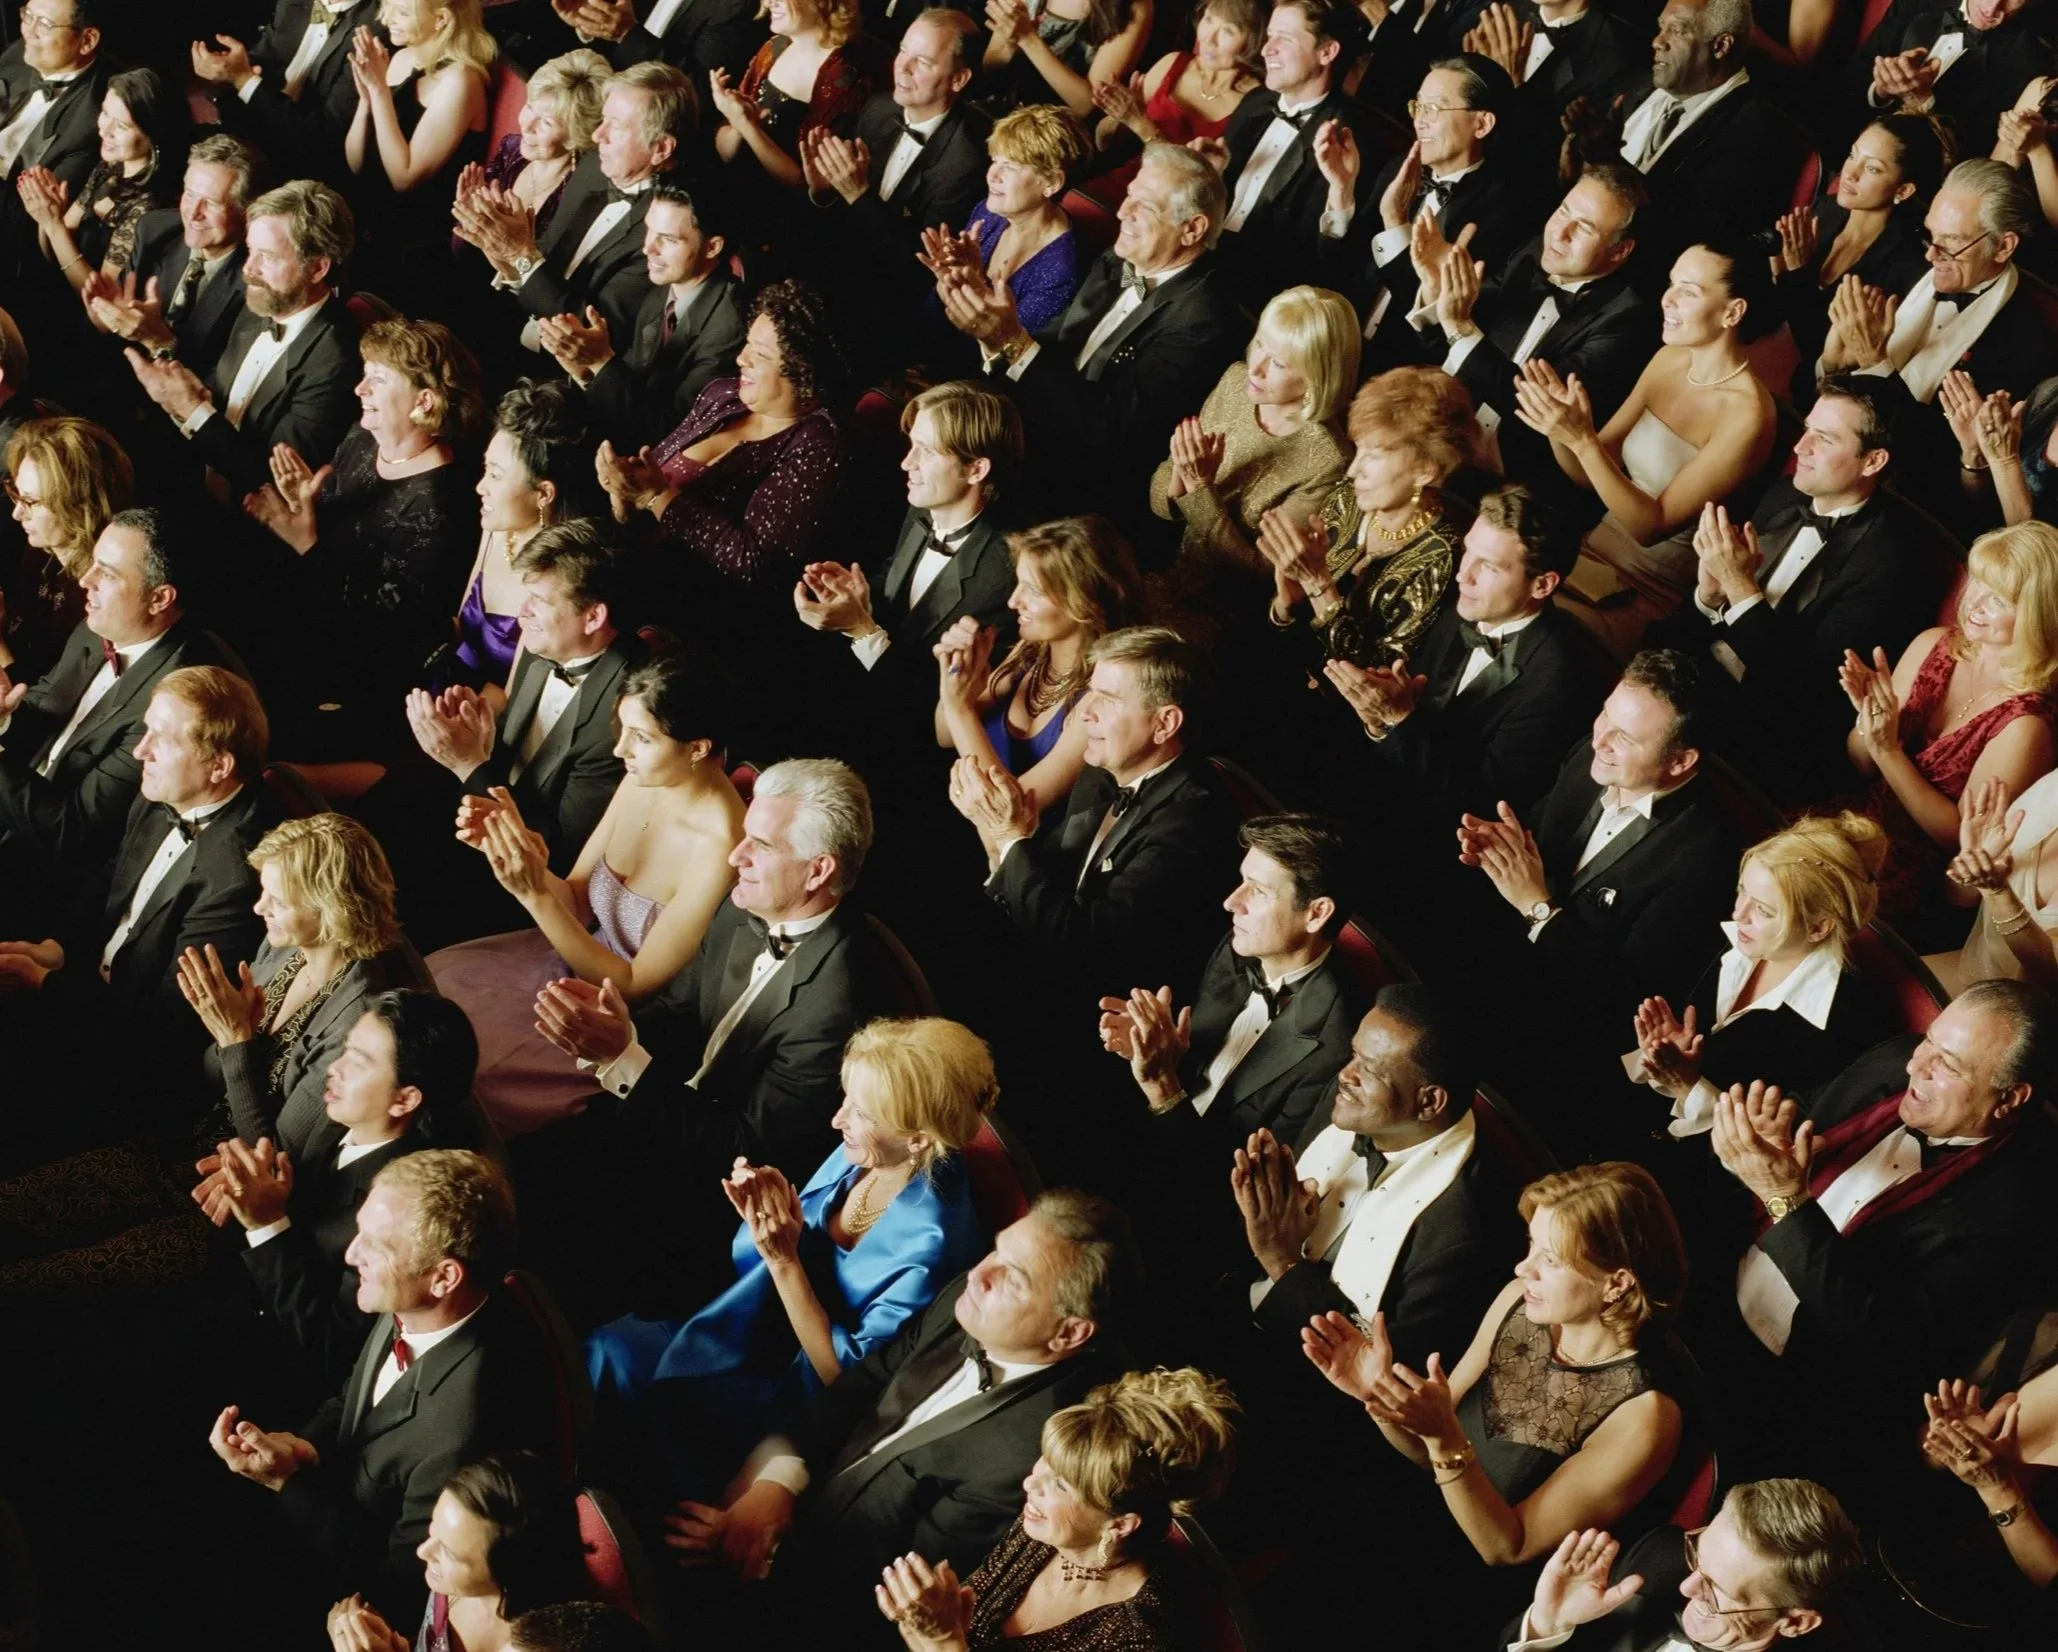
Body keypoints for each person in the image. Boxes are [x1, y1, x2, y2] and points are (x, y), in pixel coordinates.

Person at [663, 1192, 1138, 1623]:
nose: (979, 1273)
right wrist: (776, 1482)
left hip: (813, 1603)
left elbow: (886, 1582)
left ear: (1069, 1333)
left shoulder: (1031, 1454)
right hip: (793, 1492)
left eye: (1012, 1278)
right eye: (996, 1250)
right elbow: (859, 1386)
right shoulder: (967, 1301)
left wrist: (754, 1550)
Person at [587, 1017, 995, 1499]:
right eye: (845, 1099)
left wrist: (783, 1260)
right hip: (756, 1329)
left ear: (919, 1138)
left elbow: (843, 1378)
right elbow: (768, 1258)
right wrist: (770, 1210)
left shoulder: (932, 1243)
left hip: (794, 1403)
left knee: (640, 1397)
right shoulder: (871, 1152)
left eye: (860, 1113)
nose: (837, 1120)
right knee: (609, 1347)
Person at [531, 758, 886, 1287]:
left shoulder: (840, 1004)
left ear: (819, 870)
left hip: (714, 1198)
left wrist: (621, 1057)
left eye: (761, 846)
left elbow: (747, 1146)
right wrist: (614, 1025)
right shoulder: (748, 904)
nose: (735, 856)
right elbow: (680, 1010)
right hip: (666, 1114)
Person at [1702, 981, 2058, 1478]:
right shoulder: (1896, 1059)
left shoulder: (2019, 1210)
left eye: (1948, 1065)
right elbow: (1810, 1114)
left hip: (1797, 1388)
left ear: (2009, 1098)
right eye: (1928, 1041)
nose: (1917, 1066)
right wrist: (1769, 1135)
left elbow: (1885, 1341)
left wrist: (1785, 1197)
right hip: (1719, 1284)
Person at [206, 1150, 557, 1629]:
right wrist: (307, 1447)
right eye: (359, 1231)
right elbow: (356, 1392)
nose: (351, 1255)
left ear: (443, 1277)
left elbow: (394, 1579)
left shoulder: (461, 1435)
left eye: (376, 1245)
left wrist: (286, 1483)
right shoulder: (422, 1305)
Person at [1304, 1161, 1690, 1580]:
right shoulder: (1518, 1304)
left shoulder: (1646, 1416)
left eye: (1551, 1260)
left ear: (1617, 1284)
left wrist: (1443, 1435)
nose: (1524, 1269)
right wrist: (1379, 1395)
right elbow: (1426, 1454)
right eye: (1530, 1246)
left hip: (1468, 1582)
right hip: (1408, 1524)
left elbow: (1508, 1547)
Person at [431, 648, 747, 1136]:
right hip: (557, 956)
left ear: (698, 748)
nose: (620, 749)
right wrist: (522, 857)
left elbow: (632, 983)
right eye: (622, 729)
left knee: (462, 1073)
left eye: (641, 738)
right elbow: (578, 901)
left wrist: (534, 894)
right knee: (432, 985)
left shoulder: (722, 844)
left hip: (605, 1014)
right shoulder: (643, 778)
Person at [0, 667, 280, 1160]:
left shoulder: (236, 874)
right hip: (89, 991)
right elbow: (107, 878)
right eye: (145, 729)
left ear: (219, 765)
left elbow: (162, 1026)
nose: (139, 751)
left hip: (123, 1062)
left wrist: (43, 984)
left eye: (162, 739)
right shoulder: (167, 792)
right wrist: (56, 948)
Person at [1457, 649, 1736, 1138]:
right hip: (1497, 973)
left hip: (1559, 1044)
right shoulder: (1592, 758)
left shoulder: (1705, 858)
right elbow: (1536, 849)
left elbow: (1620, 996)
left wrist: (1536, 906)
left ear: (1681, 760)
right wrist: (1496, 849)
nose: (1599, 738)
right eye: (1605, 714)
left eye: (1623, 737)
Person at [1099, 813, 1363, 1293]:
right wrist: (1151, 1050)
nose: (1231, 903)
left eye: (1257, 892)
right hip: (1138, 1158)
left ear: (1317, 913)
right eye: (1241, 882)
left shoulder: (1338, 1047)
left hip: (1187, 1238)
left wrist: (1163, 1085)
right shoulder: (1237, 948)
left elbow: (1232, 1201)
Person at [1657, 377, 1953, 803]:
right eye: (1807, 429)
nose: (1799, 448)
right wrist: (1709, 595)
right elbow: (1697, 627)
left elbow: (1801, 696)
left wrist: (1740, 588)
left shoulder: (1891, 564)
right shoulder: (1782, 495)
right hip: (1698, 680)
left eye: (1824, 439)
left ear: (1873, 461)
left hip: (1767, 735)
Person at [937, 142, 1246, 528]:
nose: (1122, 212)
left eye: (1143, 207)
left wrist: (1013, 342)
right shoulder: (1116, 259)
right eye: (1128, 197)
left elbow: (1113, 429)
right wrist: (991, 325)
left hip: (1084, 486)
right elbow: (1052, 343)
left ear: (1193, 229)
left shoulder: (1204, 319)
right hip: (1033, 430)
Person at [1235, 982, 1523, 1368]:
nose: (1345, 1076)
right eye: (1355, 1055)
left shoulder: (1464, 1230)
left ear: (1429, 1102)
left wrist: (1283, 1262)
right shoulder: (1347, 1102)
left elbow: (1388, 1368)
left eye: (1369, 1070)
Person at [243, 316, 485, 765]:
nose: (359, 389)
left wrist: (306, 544)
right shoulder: (361, 439)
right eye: (363, 374)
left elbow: (381, 632)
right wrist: (305, 507)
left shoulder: (441, 508)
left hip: (350, 683)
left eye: (376, 379)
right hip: (298, 633)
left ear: (423, 401)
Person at [1525, 237, 1778, 659]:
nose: (1668, 300)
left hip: (1644, 592)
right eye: (1671, 283)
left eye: (1689, 292)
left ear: (1732, 312)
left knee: (1527, 619)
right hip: (1587, 558)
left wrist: (1582, 439)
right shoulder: (1670, 359)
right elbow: (1588, 473)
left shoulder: (1747, 414)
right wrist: (1560, 427)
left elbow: (1650, 526)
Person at [220, 990, 481, 1394]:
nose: (334, 1069)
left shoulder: (401, 1208)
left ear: (404, 1099)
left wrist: (267, 1225)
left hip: (266, 1357)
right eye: (344, 1051)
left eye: (357, 1063)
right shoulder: (343, 1119)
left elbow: (328, 1347)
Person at [873, 1367, 1240, 1652]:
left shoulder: (1139, 1637)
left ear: (1120, 1524)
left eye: (1061, 1484)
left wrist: (943, 1642)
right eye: (1044, 1462)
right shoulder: (1047, 1532)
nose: (1031, 1484)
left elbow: (945, 1641)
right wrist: (923, 1625)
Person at [969, 625, 1238, 1004]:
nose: (1086, 714)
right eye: (1089, 692)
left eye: (1108, 699)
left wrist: (1009, 836)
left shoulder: (1191, 825)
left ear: (1164, 724)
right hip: (1040, 964)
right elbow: (1049, 876)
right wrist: (1003, 843)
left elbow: (1084, 947)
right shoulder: (1102, 768)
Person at [403, 519, 634, 922]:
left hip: (530, 889)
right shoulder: (541, 639)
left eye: (539, 601)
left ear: (593, 617)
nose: (522, 613)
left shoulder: (620, 717)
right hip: (487, 823)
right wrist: (484, 739)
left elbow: (558, 851)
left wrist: (468, 763)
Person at [0, 509, 240, 894]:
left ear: (160, 598)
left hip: (51, 879)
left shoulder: (175, 699)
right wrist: (4, 720)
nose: (85, 580)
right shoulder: (99, 626)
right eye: (93, 563)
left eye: (107, 574)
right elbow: (43, 711)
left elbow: (73, 833)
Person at [178, 811, 430, 1173]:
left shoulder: (355, 1024)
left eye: (278, 901)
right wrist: (227, 1037)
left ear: (332, 910)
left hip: (233, 1180)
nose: (259, 908)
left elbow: (276, 1157)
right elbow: (212, 1079)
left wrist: (234, 1040)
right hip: (185, 1137)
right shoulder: (283, 946)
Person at [1334, 483, 1595, 830]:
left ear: (1542, 585)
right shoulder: (1463, 610)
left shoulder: (1557, 682)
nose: (1462, 574)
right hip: (1384, 790)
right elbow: (1412, 723)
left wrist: (1397, 718)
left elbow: (1480, 801)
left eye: (1488, 566)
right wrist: (1378, 723)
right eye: (1467, 551)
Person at [596, 278, 850, 630]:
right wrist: (623, 498)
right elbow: (647, 505)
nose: (741, 358)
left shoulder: (818, 447)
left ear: (805, 373)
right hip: (632, 568)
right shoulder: (722, 394)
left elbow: (753, 563)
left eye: (760, 355)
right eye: (747, 344)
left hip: (695, 616)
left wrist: (656, 496)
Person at [1839, 520, 2058, 927]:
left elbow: (1957, 838)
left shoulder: (2027, 724)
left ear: (2038, 615)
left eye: (1999, 599)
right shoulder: (1933, 643)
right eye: (1976, 583)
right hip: (1857, 820)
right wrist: (1869, 722)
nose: (1975, 603)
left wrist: (1888, 750)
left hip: (1921, 875)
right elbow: (1860, 764)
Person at [1624, 813, 1896, 1138]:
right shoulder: (1723, 937)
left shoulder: (1844, 1023)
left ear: (1818, 928)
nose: (1738, 914)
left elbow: (1770, 1150)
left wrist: (1689, 1087)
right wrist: (1660, 1057)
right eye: (1742, 892)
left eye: (1764, 911)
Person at [1817, 159, 2058, 507]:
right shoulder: (1907, 265)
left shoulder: (2024, 346)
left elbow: (1933, 463)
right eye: (1930, 235)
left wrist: (1875, 364)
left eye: (1951, 243)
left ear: (2003, 247)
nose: (1931, 254)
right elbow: (1811, 377)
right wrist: (1831, 362)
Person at [798, 380, 1027, 737]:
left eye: (927, 452)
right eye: (911, 446)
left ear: (976, 470)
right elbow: (901, 590)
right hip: (862, 697)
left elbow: (928, 701)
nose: (907, 463)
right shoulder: (923, 506)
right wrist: (860, 598)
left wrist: (861, 628)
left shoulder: (1004, 573)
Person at [1408, 164, 1654, 493]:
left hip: (1506, 484)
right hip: (1434, 439)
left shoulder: (1627, 320)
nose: (1559, 232)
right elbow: (1448, 347)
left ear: (1620, 250)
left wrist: (1461, 326)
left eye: (1583, 228)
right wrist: (1437, 290)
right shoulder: (1533, 252)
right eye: (1563, 211)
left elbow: (1534, 404)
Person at [127, 178, 363, 501]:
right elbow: (213, 392)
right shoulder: (257, 305)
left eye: (268, 256)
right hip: (191, 480)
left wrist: (192, 408)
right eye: (251, 250)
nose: (249, 269)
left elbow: (273, 481)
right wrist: (164, 357)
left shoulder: (337, 358)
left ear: (318, 268)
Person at [1147, 283, 1356, 623]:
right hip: (1164, 574)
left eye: (1278, 363)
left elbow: (1259, 571)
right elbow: (1159, 500)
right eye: (1259, 342)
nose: (1256, 367)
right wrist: (1180, 478)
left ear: (1318, 376)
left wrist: (1200, 489)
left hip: (1222, 616)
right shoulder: (1235, 382)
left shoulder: (1329, 459)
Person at [454, 61, 694, 355]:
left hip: (567, 369)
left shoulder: (665, 228)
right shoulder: (594, 165)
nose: (596, 136)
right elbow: (546, 264)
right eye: (602, 120)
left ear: (660, 149)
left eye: (615, 127)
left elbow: (593, 332)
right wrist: (502, 252)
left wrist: (519, 254)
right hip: (513, 324)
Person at [1258, 365, 1476, 673]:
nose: (1352, 470)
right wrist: (1286, 605)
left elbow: (1379, 677)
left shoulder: (1443, 557)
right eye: (1357, 449)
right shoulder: (1349, 499)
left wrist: (1318, 585)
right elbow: (1281, 633)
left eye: (1372, 455)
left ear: (1425, 469)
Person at [931, 516, 1145, 819]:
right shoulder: (1029, 652)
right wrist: (955, 678)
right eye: (1019, 584)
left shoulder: (1102, 698)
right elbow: (945, 736)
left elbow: (1011, 812)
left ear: (1084, 603)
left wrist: (959, 709)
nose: (1013, 601)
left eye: (1033, 590)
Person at [1497, 1477, 1863, 1650]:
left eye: (1719, 1591)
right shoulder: (1659, 1559)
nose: (1687, 1588)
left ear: (1795, 1622)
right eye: (1698, 1556)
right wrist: (1547, 1625)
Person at [800, 10, 992, 334]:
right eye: (903, 50)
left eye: (924, 62)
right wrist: (824, 193)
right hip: (839, 273)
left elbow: (914, 268)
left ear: (959, 79)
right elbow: (842, 228)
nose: (902, 66)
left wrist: (856, 195)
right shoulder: (879, 107)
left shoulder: (966, 163)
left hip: (889, 308)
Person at [1327, 52, 1532, 350]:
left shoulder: (1503, 212)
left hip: (1401, 364)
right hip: (1341, 337)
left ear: (1482, 124)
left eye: (1434, 108)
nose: (1420, 120)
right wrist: (1341, 192)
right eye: (1418, 106)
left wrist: (1396, 223)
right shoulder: (1398, 170)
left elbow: (1435, 318)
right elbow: (1338, 266)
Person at [540, 182, 748, 451]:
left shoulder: (730, 326)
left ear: (712, 247)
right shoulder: (662, 291)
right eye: (649, 230)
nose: (648, 248)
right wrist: (584, 372)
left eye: (668, 239)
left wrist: (601, 361)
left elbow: (672, 430)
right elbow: (633, 389)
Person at [1201, 0, 1379, 307]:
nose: (1266, 49)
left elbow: (1328, 260)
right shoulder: (1256, 102)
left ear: (1326, 53)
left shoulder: (1349, 138)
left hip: (1258, 291)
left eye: (1284, 39)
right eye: (1269, 36)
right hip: (1201, 258)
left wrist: (1341, 192)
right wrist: (1212, 174)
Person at [324, 1450, 592, 1652]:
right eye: (433, 1531)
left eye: (451, 1554)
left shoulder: (537, 1645)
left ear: (511, 1573)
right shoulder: (457, 1582)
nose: (423, 1552)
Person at [1611, 0, 1805, 268]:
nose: (1658, 41)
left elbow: (1681, 231)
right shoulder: (1635, 89)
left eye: (1677, 30)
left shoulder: (1756, 132)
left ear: (1720, 46)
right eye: (1661, 27)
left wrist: (1606, 161)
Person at [445, 379, 607, 698]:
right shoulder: (498, 525)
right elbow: (458, 632)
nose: (481, 487)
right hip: (448, 688)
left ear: (543, 493)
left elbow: (517, 702)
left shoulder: (563, 576)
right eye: (485, 469)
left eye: (495, 475)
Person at [1769, 114, 1941, 369]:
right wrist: (1776, 270)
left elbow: (1818, 348)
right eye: (1853, 155)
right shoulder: (1826, 210)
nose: (1850, 173)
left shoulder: (1906, 267)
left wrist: (1796, 272)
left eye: (1872, 168)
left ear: (1903, 191)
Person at [343, 0, 494, 290]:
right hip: (370, 222)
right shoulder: (401, 59)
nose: (385, 20)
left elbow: (404, 179)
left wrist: (379, 93)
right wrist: (366, 101)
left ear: (440, 18)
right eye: (386, 7)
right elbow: (356, 163)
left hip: (414, 247)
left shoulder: (461, 81)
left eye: (401, 12)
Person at [87, 132, 256, 382]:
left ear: (246, 211)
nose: (193, 213)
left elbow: (220, 386)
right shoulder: (155, 229)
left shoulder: (256, 281)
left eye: (210, 203)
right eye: (189, 194)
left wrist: (158, 341)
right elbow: (109, 337)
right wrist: (105, 315)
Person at [14, 67, 186, 293]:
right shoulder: (111, 167)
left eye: (122, 126)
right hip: (53, 292)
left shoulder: (151, 205)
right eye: (105, 113)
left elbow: (100, 297)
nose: (105, 130)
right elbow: (54, 255)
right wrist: (47, 218)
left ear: (154, 134)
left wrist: (53, 225)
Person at [937, 102, 1092, 347]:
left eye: (1009, 167)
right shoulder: (988, 213)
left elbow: (1008, 351)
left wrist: (971, 289)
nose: (992, 175)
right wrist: (949, 282)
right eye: (994, 161)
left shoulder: (1063, 270)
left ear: (1051, 182)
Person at [1088, 0, 1262, 206]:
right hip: (1123, 184)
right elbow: (1103, 141)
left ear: (1254, 41)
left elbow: (1199, 185)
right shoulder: (1174, 63)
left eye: (1228, 31)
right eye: (1208, 20)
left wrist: (1140, 123)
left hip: (1173, 208)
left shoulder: (1256, 102)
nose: (1209, 39)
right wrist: (1123, 118)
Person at [195, 0, 384, 185]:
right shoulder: (292, 3)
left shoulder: (377, 27)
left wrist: (242, 79)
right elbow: (263, 59)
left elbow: (324, 134)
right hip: (251, 132)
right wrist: (226, 67)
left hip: (304, 165)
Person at [1, 412, 132, 678]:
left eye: (31, 502)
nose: (17, 514)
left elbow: (47, 700)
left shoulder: (99, 596)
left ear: (79, 505)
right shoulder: (40, 552)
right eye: (16, 494)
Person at [1842, 0, 2048, 158]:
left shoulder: (2029, 63)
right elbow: (1849, 82)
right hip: (1847, 137)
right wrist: (1881, 90)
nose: (1992, 8)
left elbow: (1972, 160)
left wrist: (1925, 103)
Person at [459, 48, 609, 260]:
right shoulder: (511, 149)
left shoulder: (581, 192)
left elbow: (546, 275)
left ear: (577, 133)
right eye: (529, 107)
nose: (527, 126)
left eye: (546, 122)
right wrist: (472, 219)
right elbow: (466, 254)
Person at [712, 0, 870, 194]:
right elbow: (725, 151)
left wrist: (745, 125)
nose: (769, 3)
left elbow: (809, 185)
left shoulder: (844, 77)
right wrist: (736, 125)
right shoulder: (774, 46)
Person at [1941, 771, 2058, 991]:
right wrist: (1974, 860)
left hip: (2032, 1008)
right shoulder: (2051, 792)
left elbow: (2048, 976)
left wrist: (1998, 893)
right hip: (1977, 967)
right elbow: (1959, 897)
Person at [0, 0, 112, 208]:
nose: (28, 32)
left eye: (44, 23)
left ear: (87, 40)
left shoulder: (97, 117)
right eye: (28, 16)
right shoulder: (16, 55)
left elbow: (31, 211)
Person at [983, 0, 1155, 119]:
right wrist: (1008, 45)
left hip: (1055, 132)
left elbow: (1087, 106)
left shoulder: (1131, 8)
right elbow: (989, 68)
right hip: (1000, 111)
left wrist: (1029, 39)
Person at [551, 0, 762, 80]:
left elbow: (694, 90)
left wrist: (627, 34)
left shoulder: (735, 7)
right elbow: (621, 17)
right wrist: (589, 16)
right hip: (608, 89)